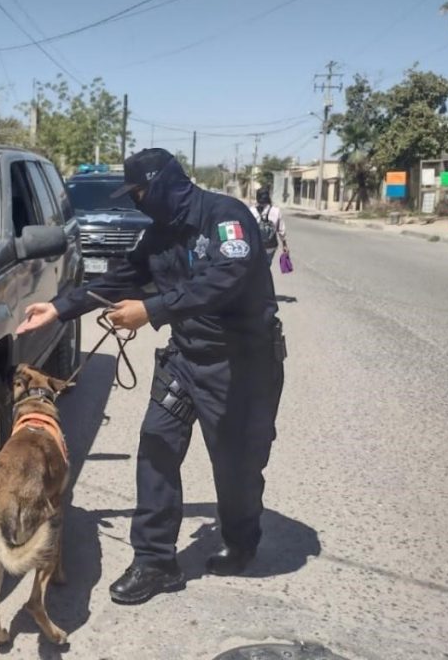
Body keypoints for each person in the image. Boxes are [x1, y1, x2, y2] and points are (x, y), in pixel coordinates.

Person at [18, 148, 286, 605]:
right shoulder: (158, 235)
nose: (139, 201)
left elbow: (227, 279)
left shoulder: (226, 217)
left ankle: (241, 538)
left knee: (236, 468)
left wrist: (152, 309)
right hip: (184, 360)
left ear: (164, 183)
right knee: (156, 448)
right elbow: (123, 277)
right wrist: (61, 308)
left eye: (141, 191)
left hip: (240, 365)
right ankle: (155, 561)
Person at [250, 188, 288, 266]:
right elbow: (281, 230)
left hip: (255, 246)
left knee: (255, 267)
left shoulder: (251, 210)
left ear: (257, 198)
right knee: (266, 266)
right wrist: (284, 245)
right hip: (270, 246)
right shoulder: (276, 211)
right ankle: (265, 276)